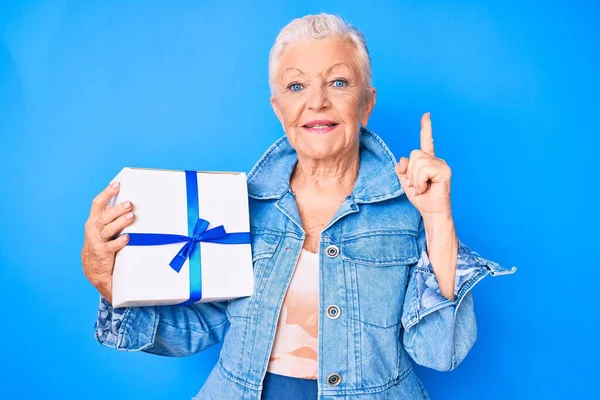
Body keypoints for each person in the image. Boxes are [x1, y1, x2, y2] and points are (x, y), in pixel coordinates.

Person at [82, 13, 516, 400]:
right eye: (296, 85)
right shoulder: (236, 207)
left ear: (366, 102)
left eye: (339, 82)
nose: (317, 100)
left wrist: (438, 218)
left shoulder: (411, 208)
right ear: (279, 107)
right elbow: (199, 329)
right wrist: (108, 277)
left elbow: (441, 352)